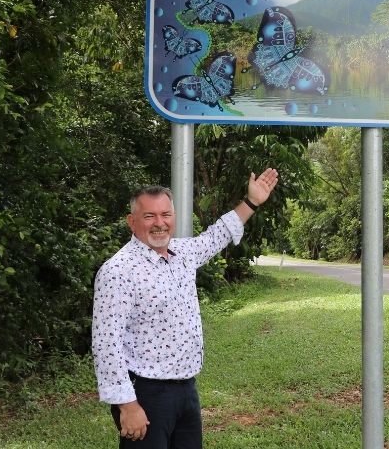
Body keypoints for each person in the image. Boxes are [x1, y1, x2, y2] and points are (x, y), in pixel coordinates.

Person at [92, 168, 279, 448]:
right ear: (132, 221)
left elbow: (217, 235)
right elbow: (107, 344)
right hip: (145, 394)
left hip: (186, 389)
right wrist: (127, 406)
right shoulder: (118, 271)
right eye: (149, 216)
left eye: (166, 215)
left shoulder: (182, 254)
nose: (160, 223)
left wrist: (251, 202)